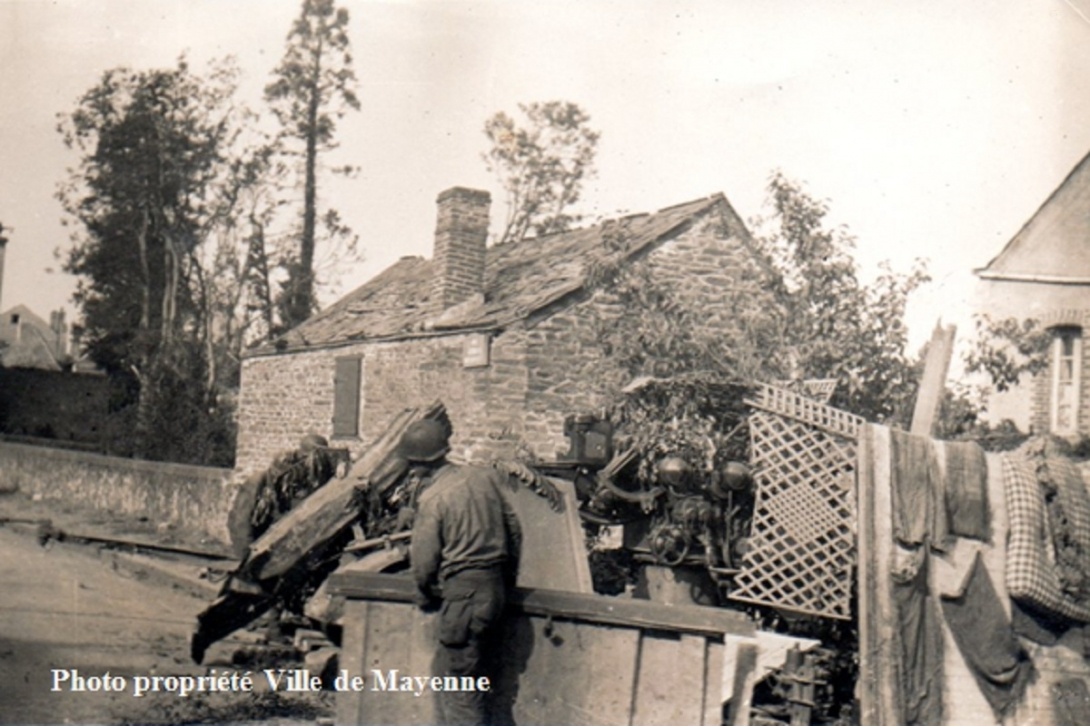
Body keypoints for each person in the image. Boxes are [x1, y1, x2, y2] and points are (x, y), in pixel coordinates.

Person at [401, 419, 522, 726]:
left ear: (418, 464)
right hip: (493, 592)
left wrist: (425, 593)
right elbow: (514, 530)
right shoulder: (482, 480)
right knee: (469, 676)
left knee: (458, 686)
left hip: (463, 598)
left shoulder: (433, 498)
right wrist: (506, 581)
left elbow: (424, 562)